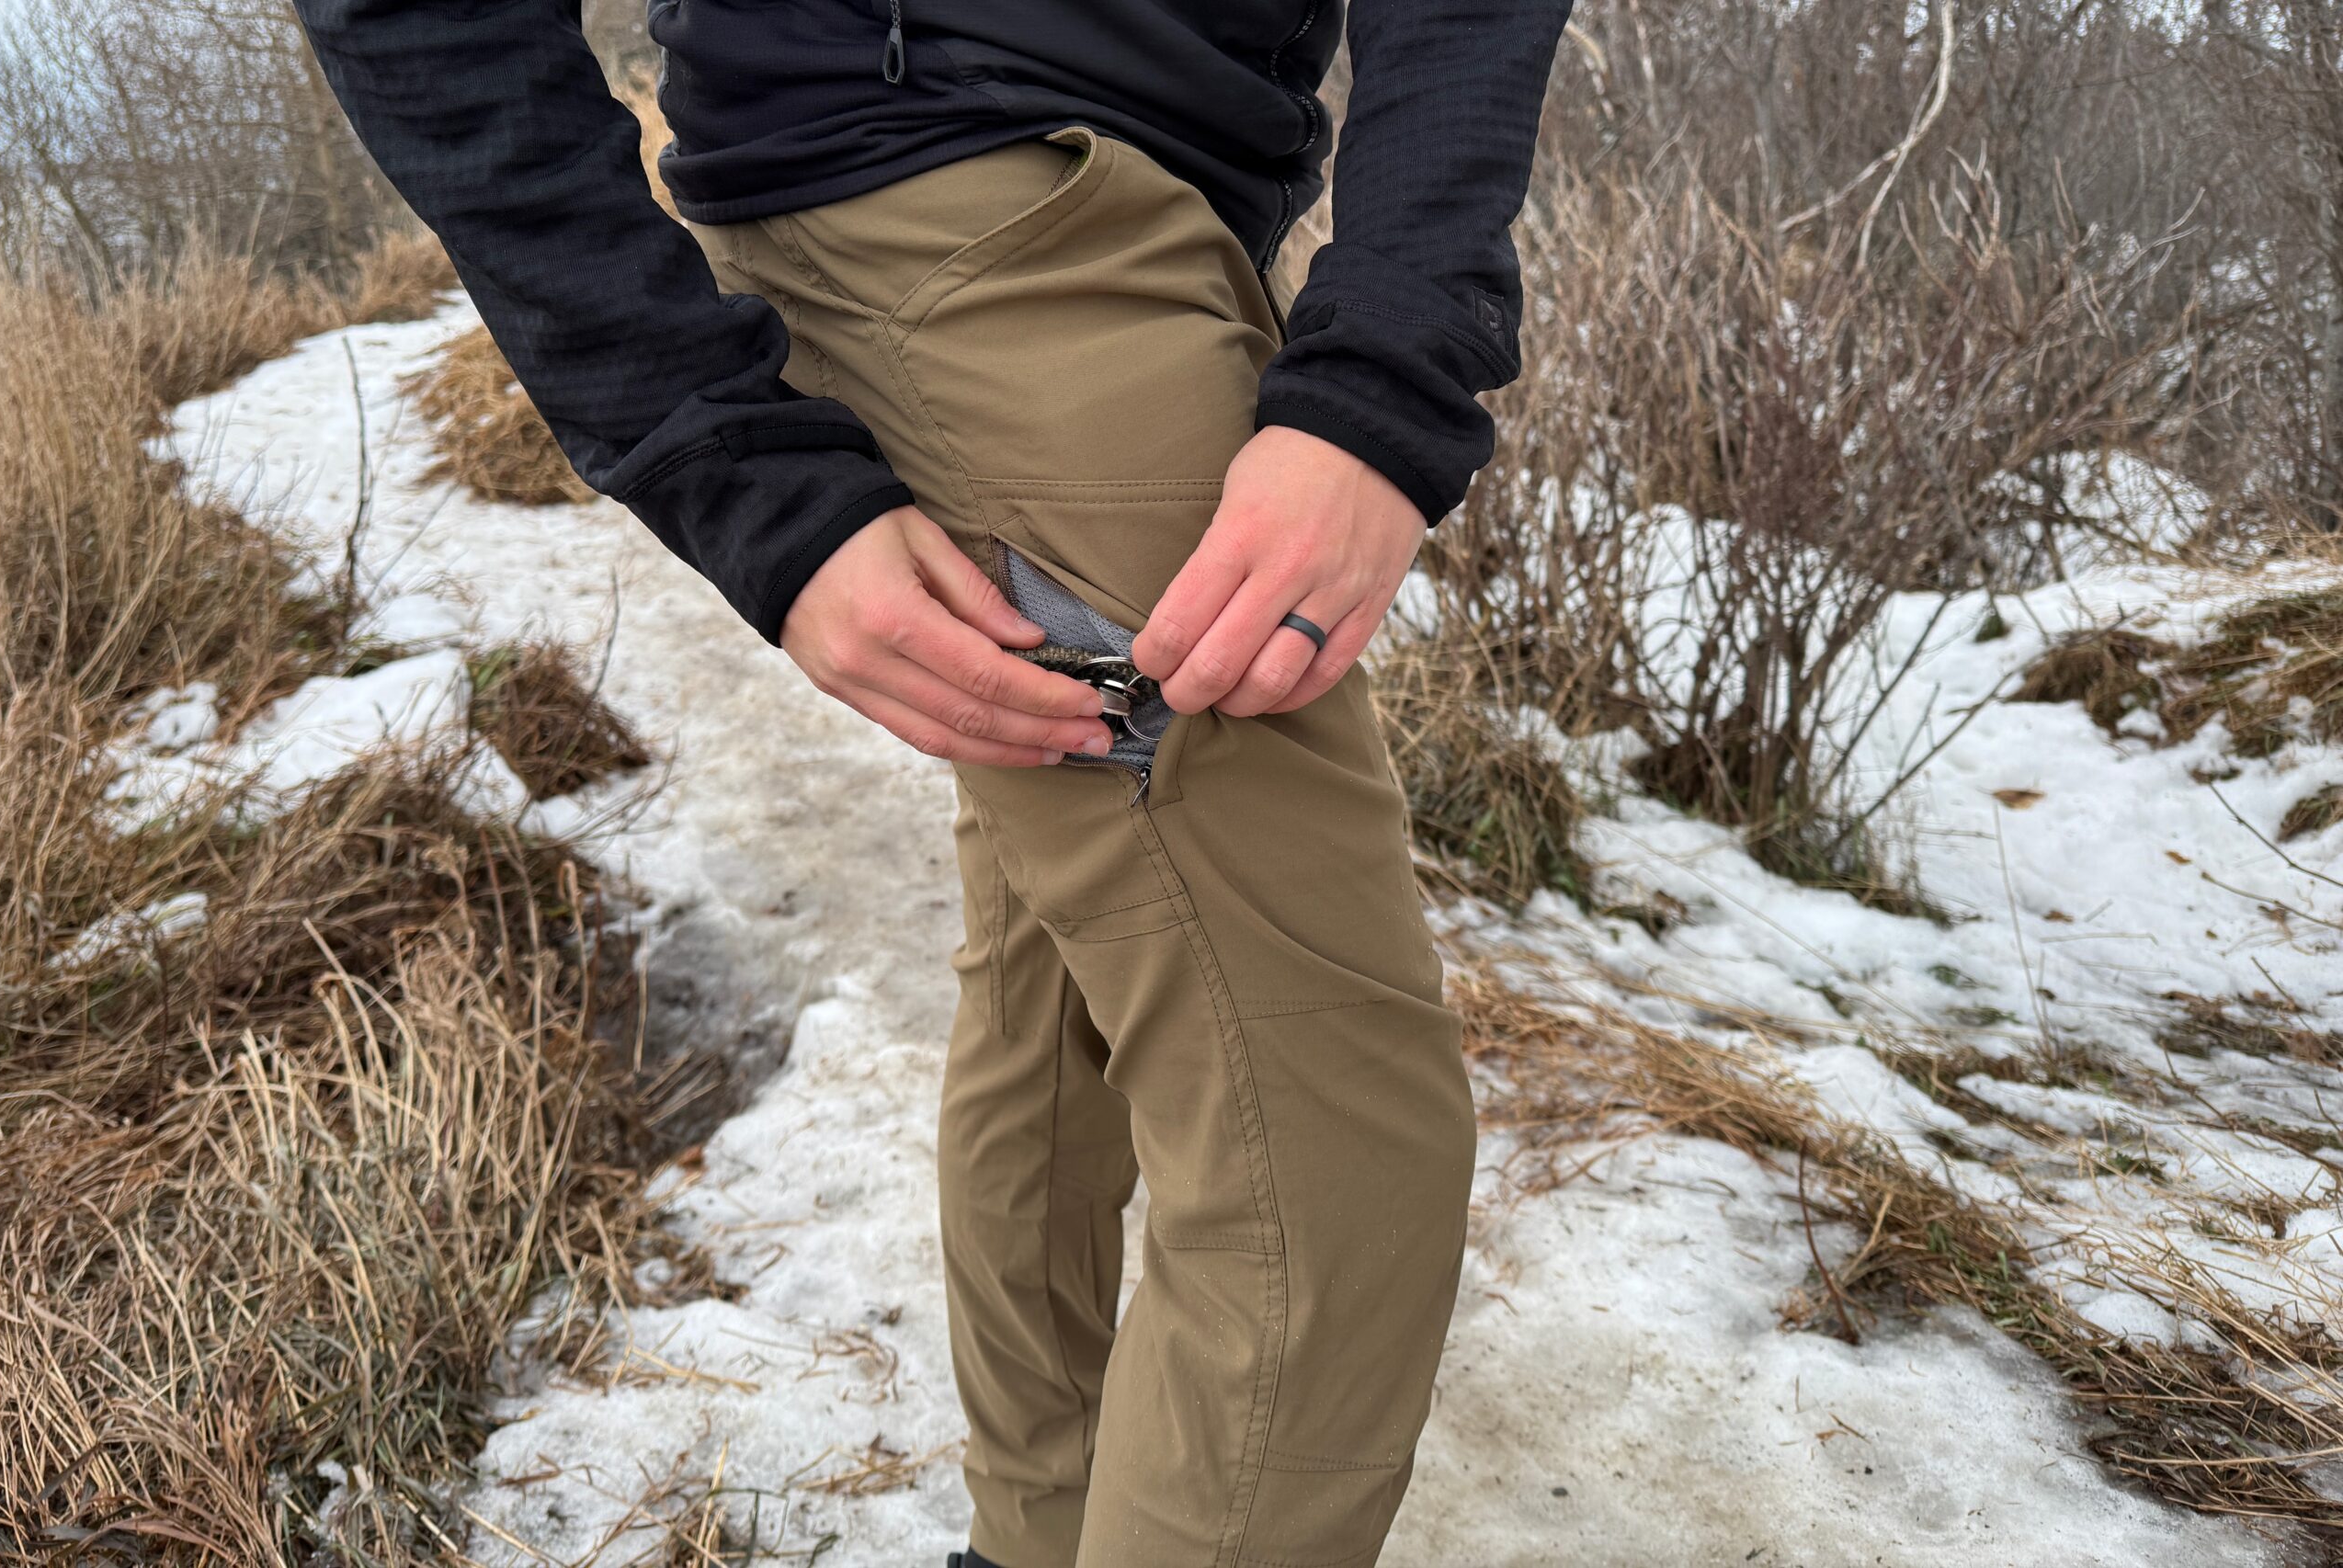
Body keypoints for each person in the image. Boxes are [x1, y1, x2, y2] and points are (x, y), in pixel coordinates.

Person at [292, 2, 1570, 1562]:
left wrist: (1388, 349)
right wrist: (719, 453)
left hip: (1114, 218)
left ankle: (1034, 1537)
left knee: (1064, 1004)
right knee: (1336, 1155)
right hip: (973, 219)